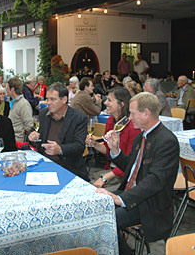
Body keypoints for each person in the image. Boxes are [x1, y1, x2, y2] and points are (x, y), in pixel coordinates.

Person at [96, 92, 179, 255]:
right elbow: (131, 167)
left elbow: (155, 181)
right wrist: (115, 150)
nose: (130, 118)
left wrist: (121, 199)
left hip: (150, 204)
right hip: (132, 194)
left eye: (132, 113)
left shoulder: (166, 141)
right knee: (95, 209)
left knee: (104, 221)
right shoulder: (141, 136)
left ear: (146, 113)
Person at [27, 82, 89, 181]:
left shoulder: (78, 118)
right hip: (44, 166)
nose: (48, 102)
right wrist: (31, 136)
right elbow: (33, 132)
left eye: (53, 99)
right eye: (47, 99)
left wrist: (60, 149)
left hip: (68, 169)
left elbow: (80, 146)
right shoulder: (43, 114)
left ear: (64, 99)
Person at [86, 88, 141, 188]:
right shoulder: (111, 121)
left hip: (124, 175)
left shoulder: (133, 127)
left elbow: (130, 162)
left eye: (110, 100)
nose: (105, 102)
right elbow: (108, 150)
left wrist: (105, 177)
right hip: (111, 170)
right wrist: (95, 144)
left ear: (121, 104)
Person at [7, 77, 33, 142]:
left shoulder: (23, 104)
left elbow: (29, 126)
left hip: (18, 142)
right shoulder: (13, 102)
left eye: (7, 88)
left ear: (12, 89)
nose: (6, 90)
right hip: (11, 139)